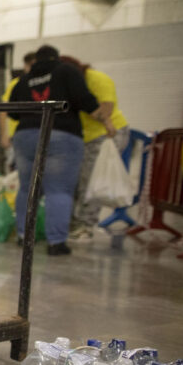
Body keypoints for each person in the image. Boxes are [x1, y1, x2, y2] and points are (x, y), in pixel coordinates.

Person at [8, 45, 113, 256]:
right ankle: (56, 243)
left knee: (27, 189)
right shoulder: (65, 70)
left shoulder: (24, 79)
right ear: (57, 57)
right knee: (59, 190)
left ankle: (23, 236)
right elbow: (86, 100)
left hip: (25, 136)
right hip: (60, 134)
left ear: (35, 60)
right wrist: (107, 123)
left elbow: (12, 111)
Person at [60, 56, 131, 242]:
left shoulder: (97, 79)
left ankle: (85, 227)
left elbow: (106, 109)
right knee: (77, 182)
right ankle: (74, 224)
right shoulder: (68, 84)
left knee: (91, 182)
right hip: (83, 137)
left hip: (106, 134)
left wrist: (84, 102)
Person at [0, 52, 36, 171]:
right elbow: (4, 109)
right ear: (25, 66)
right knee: (17, 174)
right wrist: (4, 135)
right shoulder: (17, 84)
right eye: (30, 65)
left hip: (34, 136)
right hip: (17, 136)